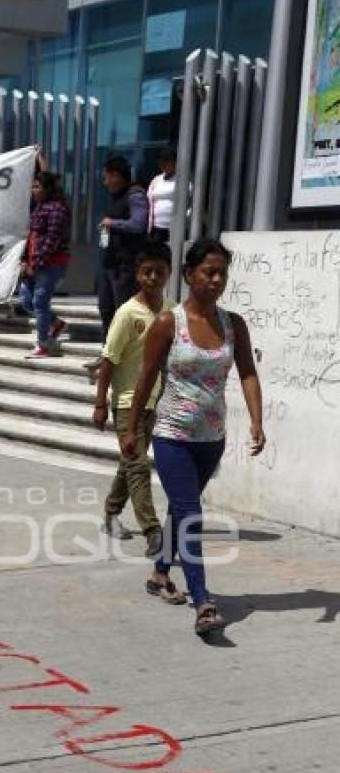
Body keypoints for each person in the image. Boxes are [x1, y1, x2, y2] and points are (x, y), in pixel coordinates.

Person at [123, 238, 265, 639]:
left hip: (212, 437)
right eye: (209, 272)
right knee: (191, 513)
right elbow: (146, 376)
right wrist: (132, 427)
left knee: (182, 512)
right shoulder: (169, 323)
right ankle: (203, 602)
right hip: (172, 435)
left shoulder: (233, 324)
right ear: (189, 275)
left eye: (222, 273)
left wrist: (256, 419)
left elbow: (248, 372)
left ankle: (159, 573)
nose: (217, 280)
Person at [94, 239, 172, 554]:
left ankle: (111, 513)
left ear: (169, 274)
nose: (153, 278)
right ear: (137, 275)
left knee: (130, 463)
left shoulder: (169, 311)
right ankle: (152, 530)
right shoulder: (127, 313)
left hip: (153, 402)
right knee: (138, 464)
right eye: (147, 272)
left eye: (159, 272)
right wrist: (101, 403)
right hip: (126, 402)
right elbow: (109, 359)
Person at [97, 155, 149, 339]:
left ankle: (124, 354)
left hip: (125, 265)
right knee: (106, 310)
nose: (105, 182)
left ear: (117, 176)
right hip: (109, 264)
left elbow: (138, 224)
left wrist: (112, 223)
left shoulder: (135, 195)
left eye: (108, 177)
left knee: (123, 310)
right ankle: (107, 354)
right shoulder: (115, 198)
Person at [19, 171, 70, 358]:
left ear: (47, 188)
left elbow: (52, 240)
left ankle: (43, 345)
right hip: (33, 263)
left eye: (37, 186)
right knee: (25, 299)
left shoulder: (57, 209)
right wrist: (25, 261)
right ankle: (56, 324)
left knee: (40, 301)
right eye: (33, 186)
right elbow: (31, 238)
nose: (33, 190)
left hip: (50, 264)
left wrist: (36, 264)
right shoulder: (38, 208)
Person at [147, 148, 177, 242]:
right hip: (156, 227)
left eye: (166, 161)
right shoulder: (157, 179)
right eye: (161, 161)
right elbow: (149, 199)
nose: (162, 164)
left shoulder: (183, 179)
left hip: (174, 228)